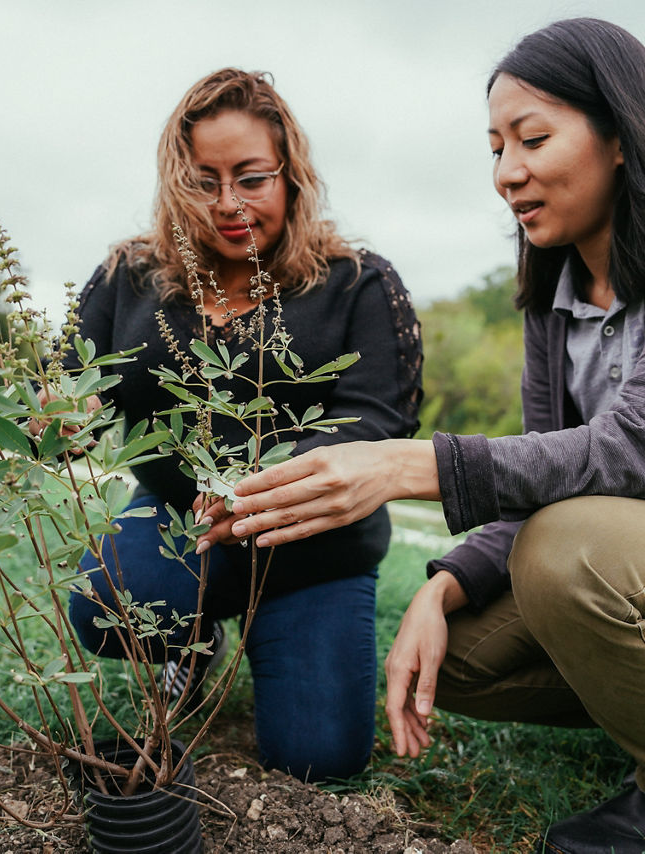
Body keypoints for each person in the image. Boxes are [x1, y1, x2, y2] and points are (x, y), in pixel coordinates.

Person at [207, 20, 645, 853]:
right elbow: (550, 469)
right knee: (455, 656)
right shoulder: (558, 278)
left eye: (533, 139)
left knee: (565, 547)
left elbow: (643, 454)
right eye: (496, 147)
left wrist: (401, 464)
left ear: (619, 133)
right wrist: (440, 588)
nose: (508, 173)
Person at [60, 68, 423, 783]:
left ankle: (284, 633)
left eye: (251, 178)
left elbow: (377, 419)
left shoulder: (358, 282)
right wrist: (60, 413)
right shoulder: (129, 276)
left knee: (318, 761)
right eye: (205, 181)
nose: (229, 204)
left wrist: (258, 487)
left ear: (290, 176)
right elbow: (70, 382)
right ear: (177, 183)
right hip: (180, 522)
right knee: (105, 606)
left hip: (316, 551)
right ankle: (191, 642)